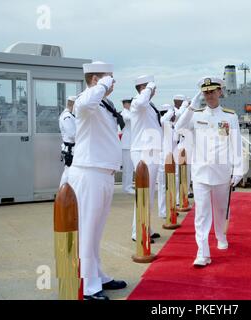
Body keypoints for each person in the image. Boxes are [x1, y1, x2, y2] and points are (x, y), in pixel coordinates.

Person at [68, 61, 126, 300]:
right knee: (87, 230)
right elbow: (83, 103)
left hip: (104, 173)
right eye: (109, 78)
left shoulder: (103, 104)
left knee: (96, 231)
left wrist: (102, 86)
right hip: (89, 172)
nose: (113, 82)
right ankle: (88, 285)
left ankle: (97, 275)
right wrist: (102, 84)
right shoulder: (86, 101)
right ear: (95, 80)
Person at [175, 76, 243, 267]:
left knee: (221, 210)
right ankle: (202, 252)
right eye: (206, 92)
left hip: (222, 172)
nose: (209, 95)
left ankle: (221, 235)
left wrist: (238, 170)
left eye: (213, 91)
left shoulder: (230, 116)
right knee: (202, 214)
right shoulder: (195, 115)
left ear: (220, 92)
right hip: (200, 172)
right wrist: (190, 106)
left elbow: (236, 144)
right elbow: (178, 128)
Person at [129, 75, 163, 242]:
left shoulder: (149, 105)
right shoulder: (138, 102)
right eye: (152, 87)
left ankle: (146, 227)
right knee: (143, 193)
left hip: (152, 151)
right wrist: (148, 88)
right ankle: (138, 232)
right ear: (144, 87)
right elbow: (141, 102)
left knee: (149, 194)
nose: (155, 90)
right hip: (143, 152)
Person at [59, 96, 77, 187]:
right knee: (68, 173)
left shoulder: (69, 115)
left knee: (70, 173)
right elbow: (72, 135)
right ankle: (62, 195)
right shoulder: (67, 116)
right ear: (73, 104)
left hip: (72, 149)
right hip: (70, 150)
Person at [120, 99, 135, 194]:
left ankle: (128, 185)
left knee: (130, 167)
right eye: (130, 103)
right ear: (125, 104)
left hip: (130, 144)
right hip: (126, 144)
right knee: (127, 168)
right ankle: (127, 187)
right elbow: (130, 118)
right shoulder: (124, 113)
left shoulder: (129, 112)